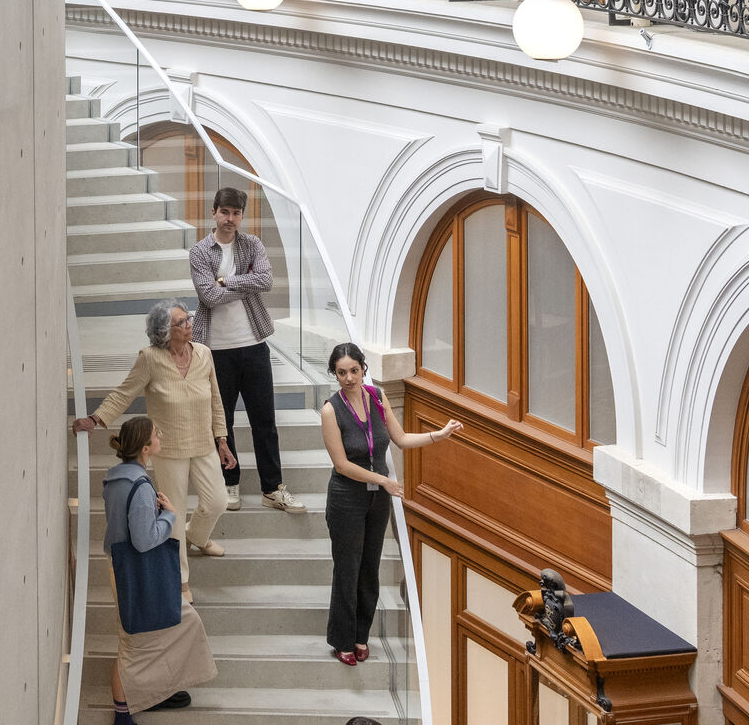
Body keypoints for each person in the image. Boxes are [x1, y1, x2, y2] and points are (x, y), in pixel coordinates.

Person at [74, 301, 237, 593]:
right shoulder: (150, 358)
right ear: (164, 331)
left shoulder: (204, 354)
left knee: (217, 502)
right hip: (169, 448)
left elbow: (216, 400)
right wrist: (95, 418)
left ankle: (197, 535)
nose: (189, 325)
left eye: (188, 319)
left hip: (203, 443)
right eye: (181, 322)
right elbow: (125, 392)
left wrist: (222, 440)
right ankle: (181, 580)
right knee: (172, 515)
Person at [320, 342, 463, 665]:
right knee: (348, 569)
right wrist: (383, 480)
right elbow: (341, 464)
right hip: (347, 497)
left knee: (370, 566)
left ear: (363, 369)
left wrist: (437, 436)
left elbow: (399, 439)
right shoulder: (331, 410)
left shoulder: (376, 397)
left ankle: (360, 635)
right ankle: (341, 639)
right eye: (341, 373)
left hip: (377, 498)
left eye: (354, 371)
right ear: (335, 374)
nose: (348, 378)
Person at [99, 416, 218, 725]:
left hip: (126, 570)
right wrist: (168, 515)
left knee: (184, 621)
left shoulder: (118, 478)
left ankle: (155, 690)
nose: (161, 435)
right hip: (136, 573)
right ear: (146, 447)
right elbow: (144, 540)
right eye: (156, 433)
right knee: (133, 647)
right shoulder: (139, 485)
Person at [189, 186, 306, 517]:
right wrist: (242, 281)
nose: (230, 219)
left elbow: (266, 281)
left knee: (264, 421)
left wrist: (226, 282)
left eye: (236, 213)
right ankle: (230, 483)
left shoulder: (252, 244)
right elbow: (208, 297)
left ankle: (272, 488)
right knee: (221, 422)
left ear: (242, 216)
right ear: (214, 213)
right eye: (224, 212)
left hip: (254, 346)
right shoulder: (200, 252)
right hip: (216, 351)